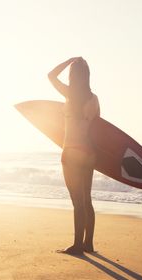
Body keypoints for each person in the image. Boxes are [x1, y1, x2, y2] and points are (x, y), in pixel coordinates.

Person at [48, 57, 100, 255]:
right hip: (89, 152)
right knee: (87, 199)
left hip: (71, 151)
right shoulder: (94, 98)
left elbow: (50, 76)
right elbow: (99, 128)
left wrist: (68, 60)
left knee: (77, 202)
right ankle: (88, 243)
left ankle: (77, 246)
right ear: (87, 76)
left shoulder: (69, 94)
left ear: (72, 75)